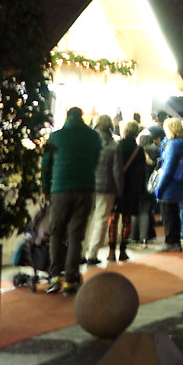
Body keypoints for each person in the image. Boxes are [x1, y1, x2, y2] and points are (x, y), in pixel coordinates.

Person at [37, 107, 102, 294]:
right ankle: (71, 280)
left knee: (56, 233)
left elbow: (45, 165)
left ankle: (55, 276)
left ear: (66, 118)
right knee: (76, 236)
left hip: (60, 191)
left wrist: (45, 189)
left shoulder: (56, 137)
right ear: (82, 117)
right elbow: (96, 160)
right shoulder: (93, 137)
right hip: (85, 190)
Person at [101, 123, 148, 263]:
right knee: (127, 220)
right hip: (132, 189)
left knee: (113, 219)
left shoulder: (117, 146)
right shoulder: (139, 150)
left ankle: (111, 251)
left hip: (116, 186)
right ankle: (123, 250)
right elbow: (142, 172)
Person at [153, 116, 183, 251]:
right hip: (177, 185)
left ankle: (170, 242)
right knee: (174, 214)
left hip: (169, 186)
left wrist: (159, 188)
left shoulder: (172, 145)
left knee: (168, 216)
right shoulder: (180, 143)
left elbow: (168, 168)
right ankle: (175, 242)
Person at [84, 113, 119, 271]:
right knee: (101, 219)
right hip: (106, 186)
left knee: (85, 218)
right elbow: (117, 171)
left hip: (87, 184)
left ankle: (79, 250)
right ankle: (92, 253)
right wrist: (120, 189)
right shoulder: (113, 145)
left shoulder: (88, 141)